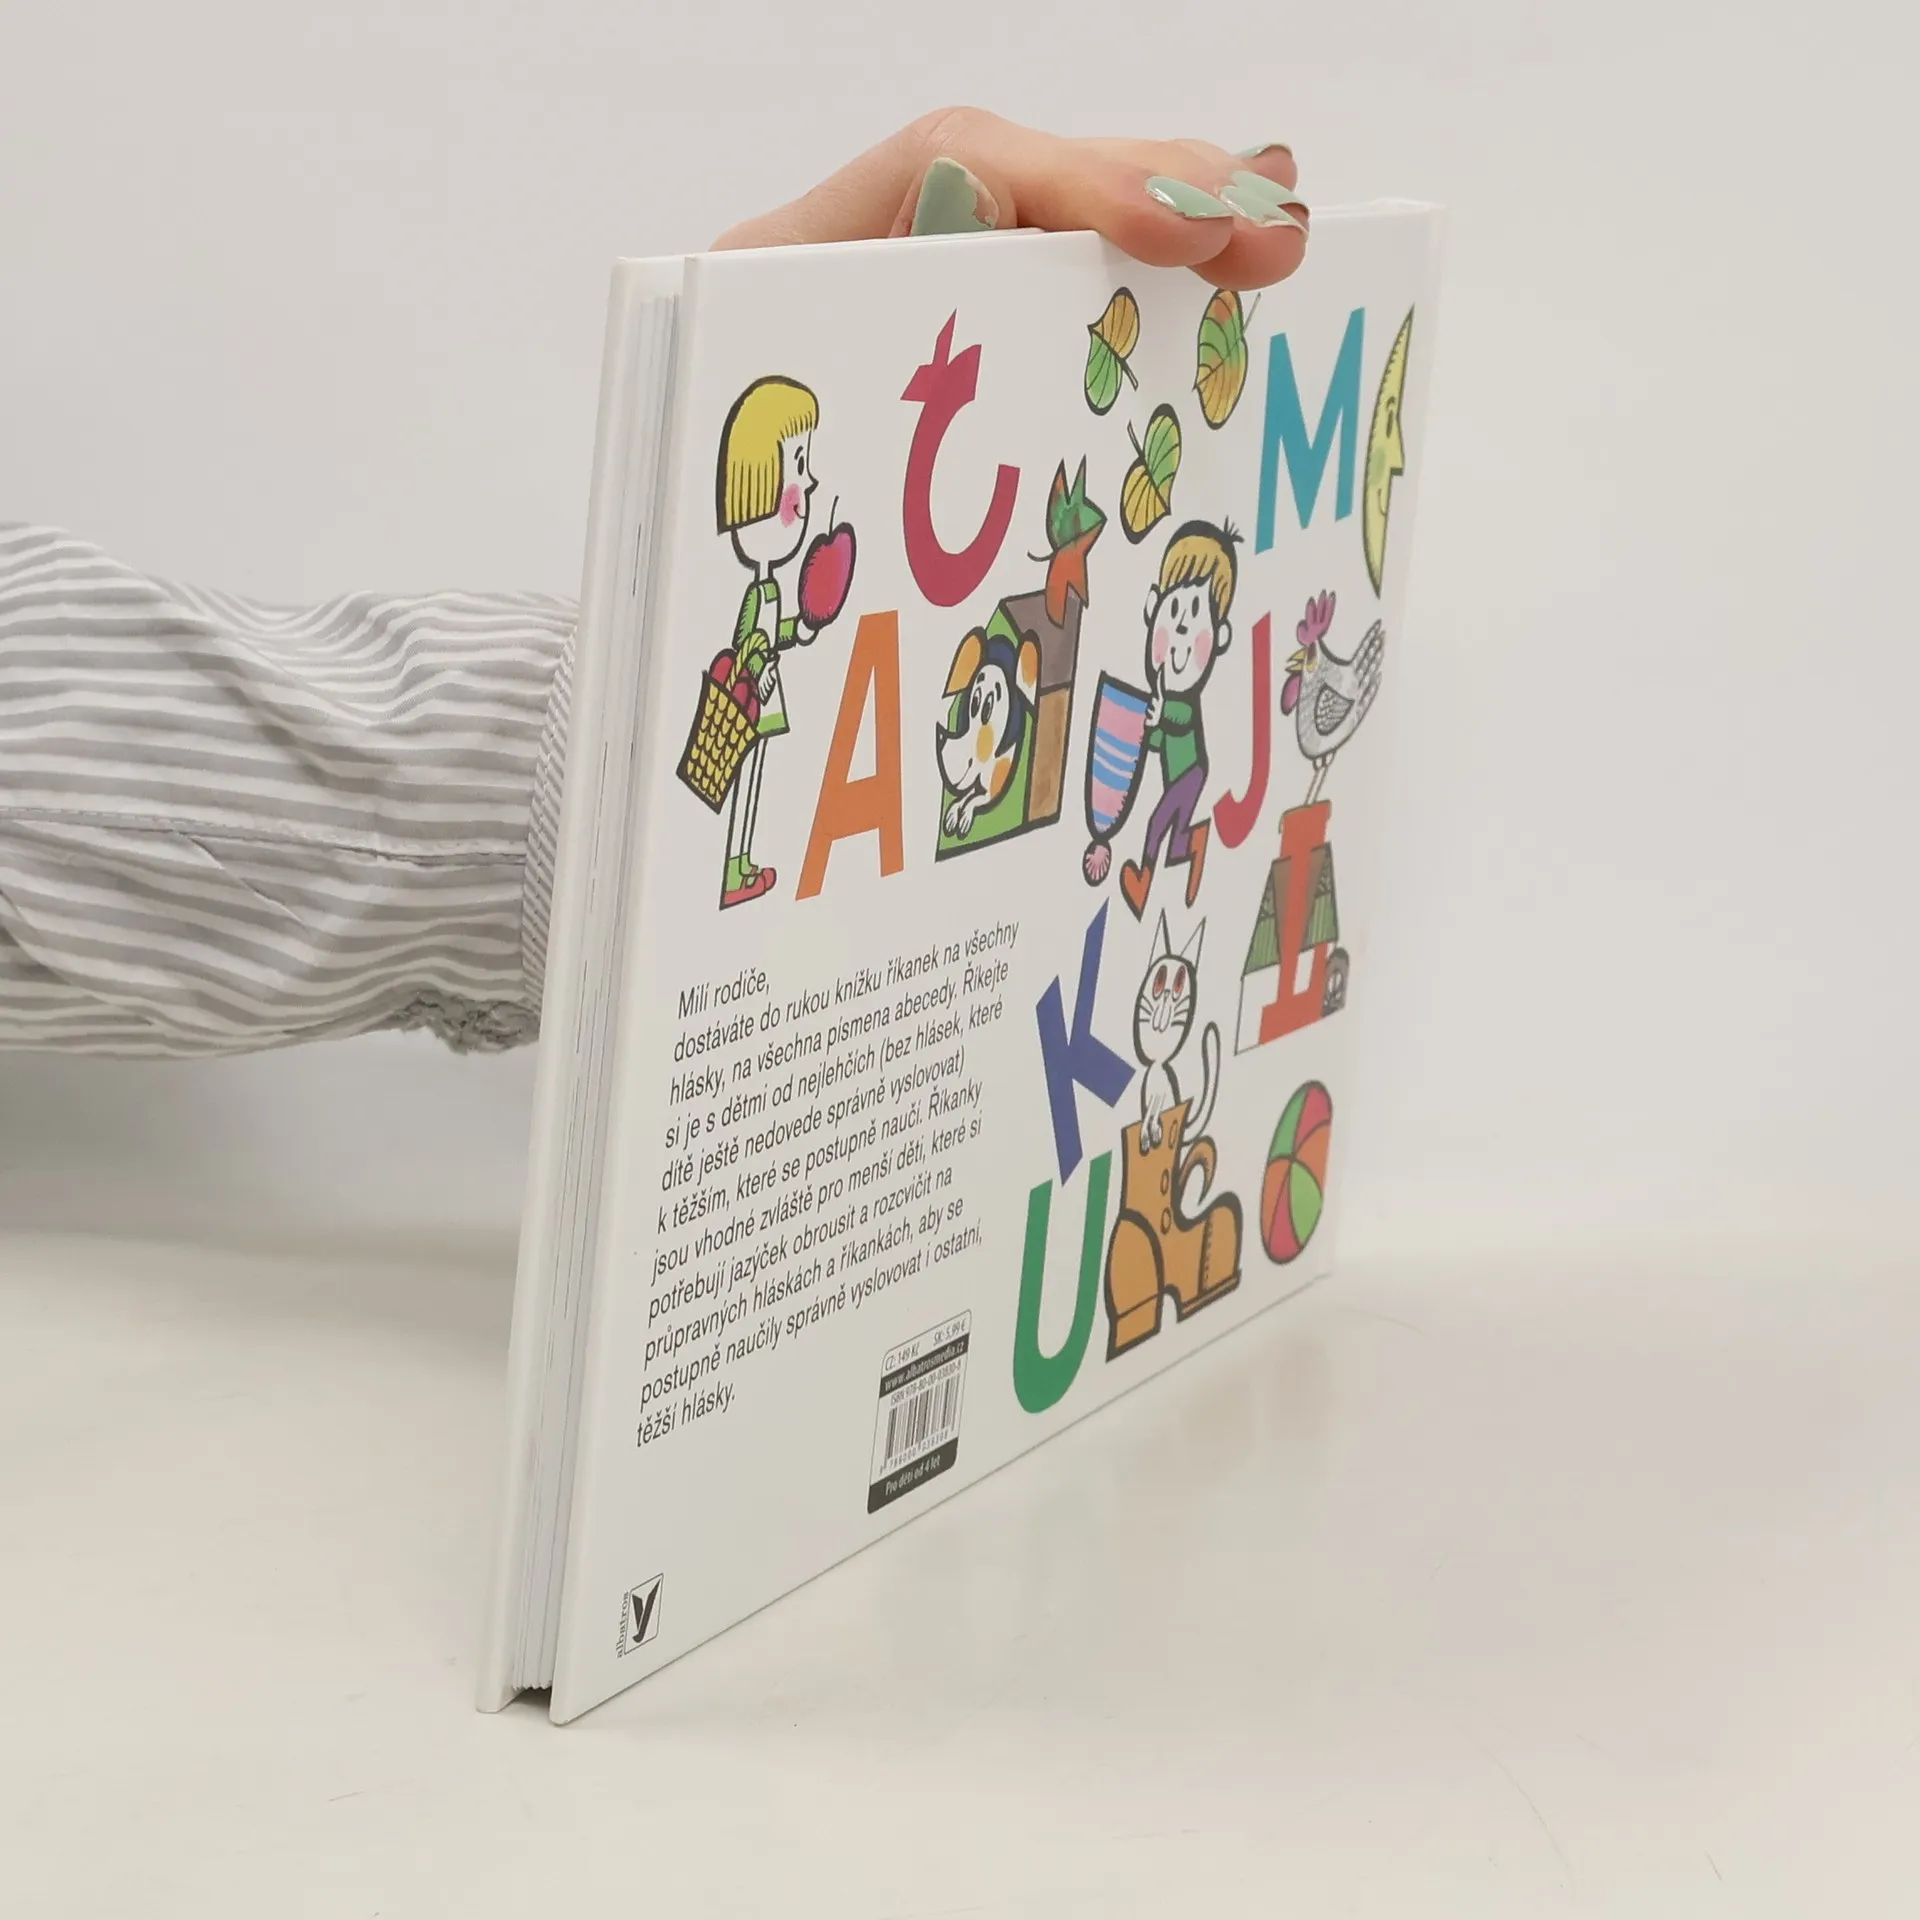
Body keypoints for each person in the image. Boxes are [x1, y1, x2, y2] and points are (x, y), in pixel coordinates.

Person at [0, 112, 1307, 1057]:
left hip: (769, 740)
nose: (801, 495)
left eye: (805, 475)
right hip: (750, 719)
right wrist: (635, 775)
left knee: (749, 794)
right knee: (743, 794)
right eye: (789, 478)